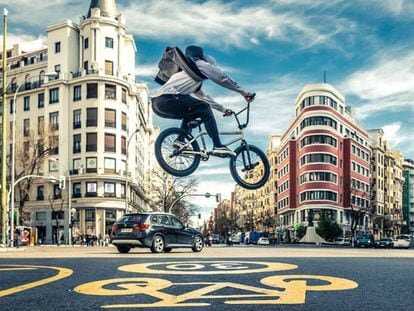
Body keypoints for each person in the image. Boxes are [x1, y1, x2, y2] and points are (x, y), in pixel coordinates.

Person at [152, 45, 255, 157]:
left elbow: (205, 97)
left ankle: (180, 140)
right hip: (167, 99)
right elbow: (222, 78)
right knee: (204, 107)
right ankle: (218, 146)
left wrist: (223, 109)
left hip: (157, 104)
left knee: (193, 111)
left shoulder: (191, 76)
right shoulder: (200, 64)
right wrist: (243, 92)